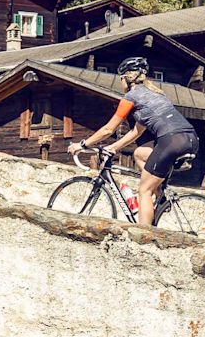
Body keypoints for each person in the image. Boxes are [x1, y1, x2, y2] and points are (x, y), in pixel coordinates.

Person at [68, 57, 198, 228]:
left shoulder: (131, 96)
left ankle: (143, 236)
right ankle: (158, 190)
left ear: (126, 79)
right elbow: (136, 131)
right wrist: (113, 147)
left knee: (144, 191)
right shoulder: (157, 94)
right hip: (191, 138)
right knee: (139, 153)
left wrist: (83, 145)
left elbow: (109, 129)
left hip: (170, 140)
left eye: (120, 78)